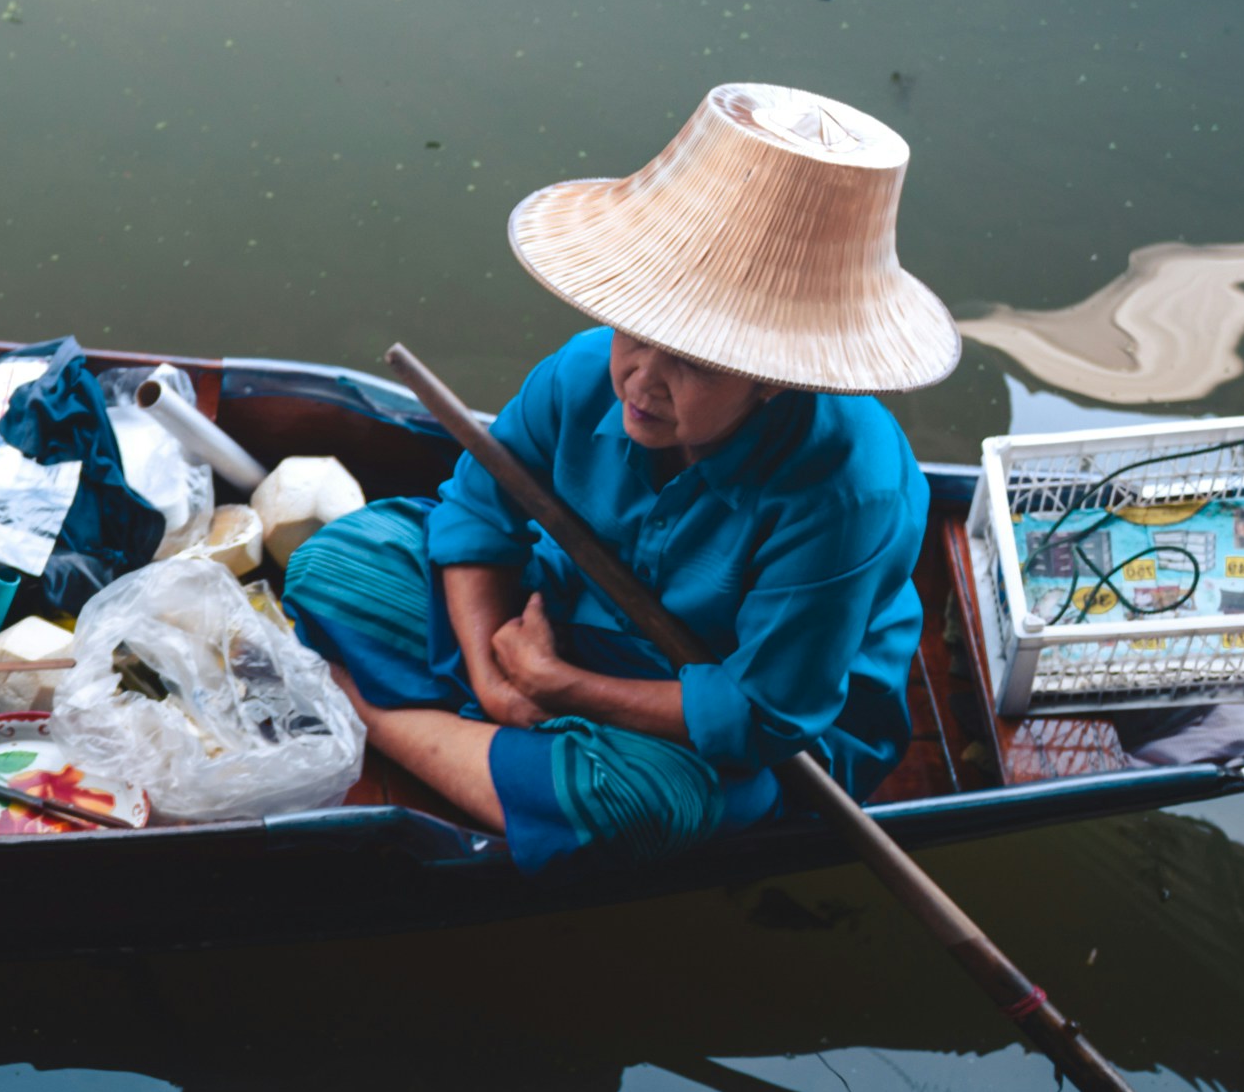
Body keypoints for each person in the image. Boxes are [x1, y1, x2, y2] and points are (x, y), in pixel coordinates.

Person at [282, 82, 961, 867]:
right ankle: (507, 751)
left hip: (738, 711)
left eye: (694, 363)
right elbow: (476, 513)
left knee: (629, 804)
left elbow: (766, 715)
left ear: (774, 379)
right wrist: (496, 677)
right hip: (567, 617)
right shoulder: (581, 373)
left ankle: (364, 708)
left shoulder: (848, 492)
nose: (640, 380)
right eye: (634, 331)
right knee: (337, 564)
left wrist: (559, 687)